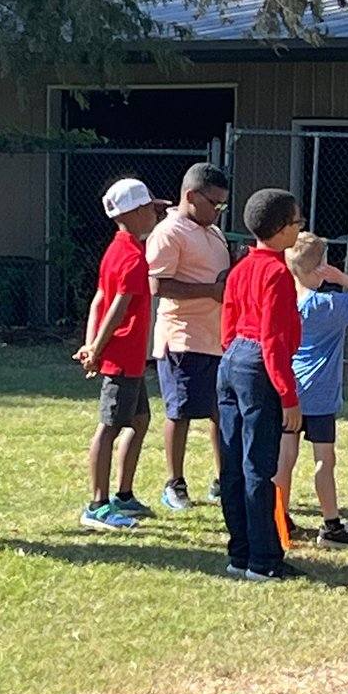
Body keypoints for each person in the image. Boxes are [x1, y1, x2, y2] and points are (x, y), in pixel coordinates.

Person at [218, 188, 305, 581]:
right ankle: (264, 560)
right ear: (282, 229)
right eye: (297, 222)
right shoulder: (277, 273)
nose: (300, 227)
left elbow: (228, 323)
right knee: (259, 466)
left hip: (232, 358)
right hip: (259, 365)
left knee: (233, 463)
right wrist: (288, 397)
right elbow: (272, 339)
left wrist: (232, 355)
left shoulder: (240, 268)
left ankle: (239, 553)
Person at [274, 232, 348, 549]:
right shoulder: (328, 305)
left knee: (285, 456)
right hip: (320, 395)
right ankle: (331, 524)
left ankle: (278, 517)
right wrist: (340, 277)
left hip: (290, 390)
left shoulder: (286, 302)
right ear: (318, 268)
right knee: (324, 459)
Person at [74, 178, 166, 530]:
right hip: (121, 357)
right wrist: (96, 349)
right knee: (109, 428)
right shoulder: (131, 257)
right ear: (137, 211)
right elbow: (116, 305)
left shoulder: (117, 249)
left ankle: (123, 496)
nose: (156, 214)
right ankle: (97, 506)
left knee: (139, 420)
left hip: (130, 360)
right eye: (152, 209)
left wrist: (89, 340)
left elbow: (98, 299)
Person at [146, 163, 232, 510]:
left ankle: (223, 478)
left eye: (223, 206)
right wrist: (210, 290)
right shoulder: (170, 232)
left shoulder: (213, 232)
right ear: (191, 196)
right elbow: (158, 284)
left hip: (216, 337)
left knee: (220, 412)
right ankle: (174, 483)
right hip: (181, 337)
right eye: (214, 204)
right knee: (179, 411)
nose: (218, 212)